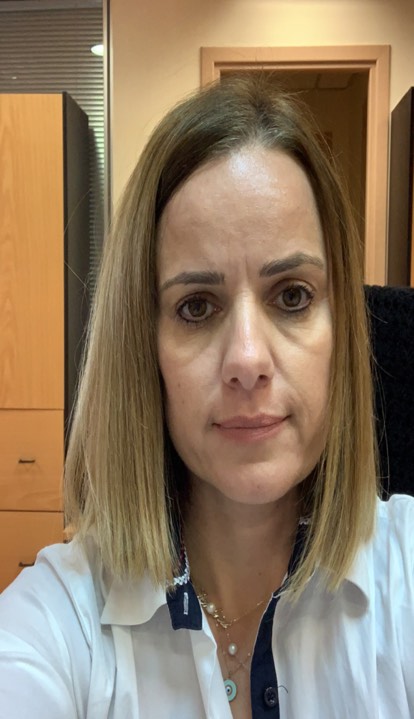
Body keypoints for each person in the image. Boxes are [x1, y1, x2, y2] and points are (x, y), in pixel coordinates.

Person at [0, 74, 413, 719]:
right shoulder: (61, 620)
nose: (247, 360)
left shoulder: (404, 578)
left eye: (293, 296)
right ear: (144, 347)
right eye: (196, 306)